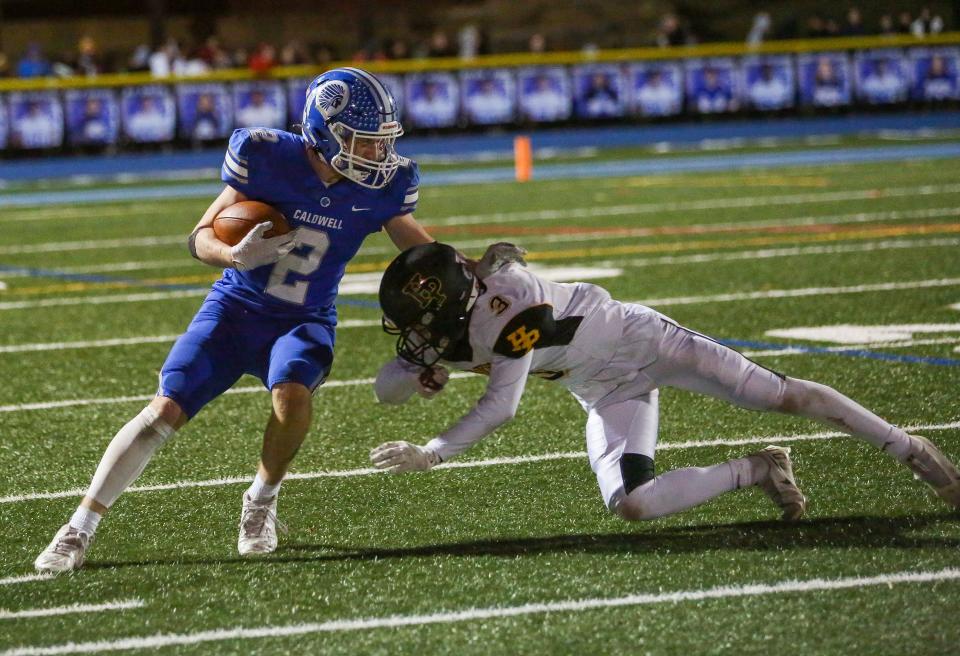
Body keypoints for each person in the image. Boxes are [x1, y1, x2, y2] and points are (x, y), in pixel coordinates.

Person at [34, 67, 439, 574]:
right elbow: (200, 236)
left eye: (380, 142)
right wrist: (233, 256)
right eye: (363, 140)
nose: (377, 154)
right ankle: (78, 527)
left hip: (304, 317)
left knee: (293, 400)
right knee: (163, 411)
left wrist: (474, 278)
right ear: (324, 131)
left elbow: (424, 252)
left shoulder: (385, 186)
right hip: (234, 309)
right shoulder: (267, 155)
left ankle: (261, 501)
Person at [369, 242, 960, 525]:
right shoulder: (456, 319)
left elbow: (502, 406)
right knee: (633, 503)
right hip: (602, 389)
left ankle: (914, 452)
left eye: (422, 320)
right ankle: (758, 470)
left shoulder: (510, 301)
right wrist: (419, 372)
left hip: (649, 344)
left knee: (785, 395)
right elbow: (386, 385)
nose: (419, 335)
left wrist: (433, 453)